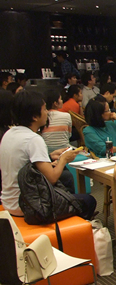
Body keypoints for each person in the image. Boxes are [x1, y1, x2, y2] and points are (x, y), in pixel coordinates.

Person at [0, 90, 95, 219]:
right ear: (35, 116)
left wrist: (50, 156)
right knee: (89, 201)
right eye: (44, 109)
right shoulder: (33, 139)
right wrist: (64, 159)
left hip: (8, 202)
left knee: (66, 181)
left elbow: (24, 164)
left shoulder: (9, 134)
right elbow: (52, 178)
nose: (47, 113)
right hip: (30, 206)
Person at [41, 88, 72, 153]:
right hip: (64, 150)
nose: (62, 101)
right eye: (60, 99)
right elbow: (69, 135)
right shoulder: (66, 116)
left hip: (46, 151)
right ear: (55, 103)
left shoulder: (41, 117)